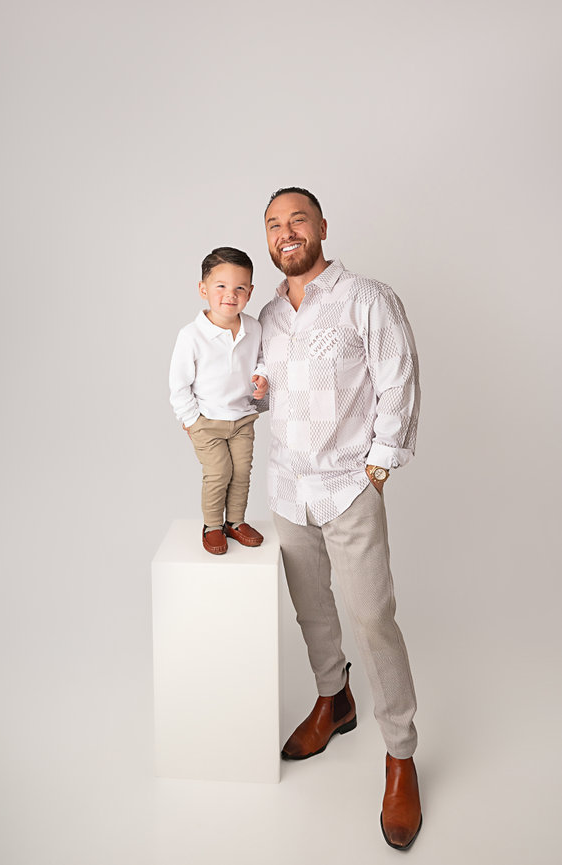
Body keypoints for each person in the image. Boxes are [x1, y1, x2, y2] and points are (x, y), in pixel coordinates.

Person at [259, 188, 422, 850]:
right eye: (273, 225)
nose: (286, 232)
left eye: (297, 219)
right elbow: (263, 390)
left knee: (372, 618)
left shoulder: (367, 298)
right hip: (286, 487)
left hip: (348, 487)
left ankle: (400, 753)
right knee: (312, 611)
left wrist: (377, 467)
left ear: (322, 226)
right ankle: (334, 698)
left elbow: (398, 379)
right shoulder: (267, 314)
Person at [169, 246, 268, 555]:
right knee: (219, 472)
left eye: (240, 288)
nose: (230, 295)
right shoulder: (191, 335)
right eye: (221, 286)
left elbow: (262, 360)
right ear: (203, 289)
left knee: (241, 472)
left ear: (250, 292)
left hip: (242, 418)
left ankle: (235, 522)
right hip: (207, 421)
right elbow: (178, 384)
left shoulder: (254, 328)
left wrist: (262, 376)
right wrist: (191, 420)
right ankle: (212, 525)